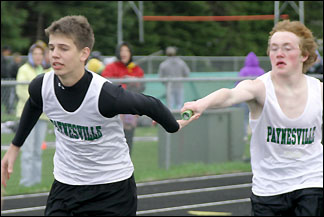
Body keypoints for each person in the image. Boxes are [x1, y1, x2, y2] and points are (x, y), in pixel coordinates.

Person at [1, 15, 186, 216]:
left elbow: (151, 104)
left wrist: (173, 125)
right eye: (52, 47)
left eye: (63, 48)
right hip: (66, 186)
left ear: (84, 53)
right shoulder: (41, 86)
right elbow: (33, 106)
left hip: (112, 189)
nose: (54, 54)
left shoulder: (104, 95)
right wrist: (14, 148)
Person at [180, 20, 323, 216]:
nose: (279, 53)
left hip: (312, 181)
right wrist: (201, 104)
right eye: (274, 48)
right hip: (269, 188)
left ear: (304, 55)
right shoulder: (259, 88)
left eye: (287, 48)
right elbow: (229, 95)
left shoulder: (318, 91)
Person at [101, 42, 145, 155]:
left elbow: (142, 87)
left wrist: (133, 81)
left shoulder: (136, 69)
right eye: (122, 51)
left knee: (128, 137)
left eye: (127, 51)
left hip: (129, 108)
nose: (124, 53)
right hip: (114, 108)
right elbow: (104, 84)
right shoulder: (111, 67)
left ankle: (127, 162)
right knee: (112, 138)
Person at [15, 43, 48, 187]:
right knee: (27, 150)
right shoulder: (23, 70)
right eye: (35, 54)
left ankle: (36, 181)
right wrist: (38, 101)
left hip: (42, 117)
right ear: (30, 55)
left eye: (40, 54)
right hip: (27, 115)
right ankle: (26, 182)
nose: (38, 57)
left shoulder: (45, 70)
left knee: (37, 151)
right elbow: (21, 92)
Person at [236, 52, 265, 141]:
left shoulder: (244, 71)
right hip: (259, 98)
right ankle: (259, 136)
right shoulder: (261, 71)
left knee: (244, 117)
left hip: (245, 98)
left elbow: (237, 84)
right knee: (260, 117)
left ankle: (244, 136)